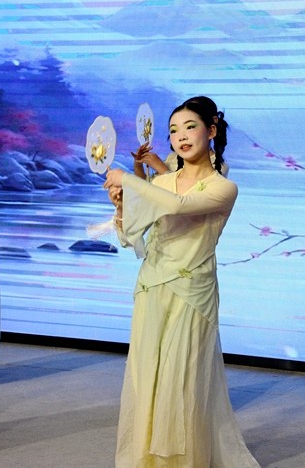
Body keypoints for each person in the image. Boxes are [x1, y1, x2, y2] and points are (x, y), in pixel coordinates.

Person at [104, 96, 260, 467]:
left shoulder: (223, 187)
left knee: (183, 380)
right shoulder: (162, 180)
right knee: (148, 377)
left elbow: (178, 206)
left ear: (212, 130)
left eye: (190, 127)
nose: (181, 137)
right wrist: (121, 206)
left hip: (193, 292)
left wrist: (129, 178)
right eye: (174, 131)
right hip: (152, 286)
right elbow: (130, 237)